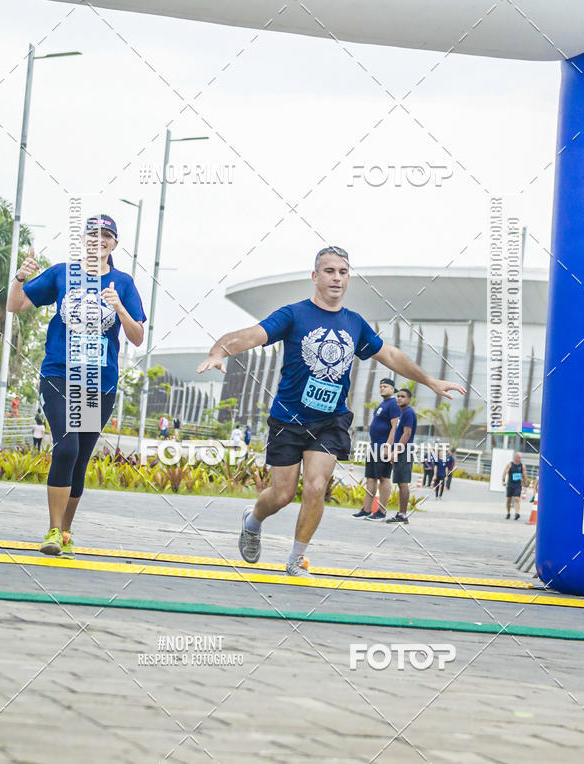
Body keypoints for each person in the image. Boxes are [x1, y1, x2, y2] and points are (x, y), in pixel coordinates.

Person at [197, 246, 465, 575]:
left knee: (315, 486)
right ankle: (252, 521)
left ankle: (296, 559)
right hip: (288, 418)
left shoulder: (354, 323)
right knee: (281, 494)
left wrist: (429, 381)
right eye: (329, 271)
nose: (337, 277)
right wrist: (219, 350)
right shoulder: (293, 315)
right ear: (315, 276)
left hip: (330, 420)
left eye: (343, 271)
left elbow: (391, 356)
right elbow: (253, 335)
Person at [6, 216, 146, 558]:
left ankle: (65, 530)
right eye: (93, 234)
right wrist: (20, 277)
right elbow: (15, 304)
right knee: (65, 447)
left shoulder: (123, 283)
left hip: (100, 382)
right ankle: (53, 529)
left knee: (80, 458)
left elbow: (138, 337)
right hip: (59, 374)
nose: (99, 239)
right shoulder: (61, 273)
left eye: (107, 236)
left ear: (114, 244)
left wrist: (120, 309)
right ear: (83, 239)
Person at [352, 378, 400, 521]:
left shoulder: (393, 404)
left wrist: (388, 446)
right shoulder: (382, 404)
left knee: (383, 478)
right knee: (371, 478)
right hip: (373, 446)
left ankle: (381, 512)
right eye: (380, 386)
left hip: (383, 447)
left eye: (385, 386)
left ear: (392, 389)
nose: (382, 388)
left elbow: (395, 427)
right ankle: (366, 509)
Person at [386, 388, 418, 525]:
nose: (399, 398)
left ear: (409, 399)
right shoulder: (403, 413)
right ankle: (400, 513)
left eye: (403, 396)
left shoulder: (409, 413)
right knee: (400, 482)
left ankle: (403, 515)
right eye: (398, 396)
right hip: (402, 450)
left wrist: (396, 451)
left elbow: (407, 434)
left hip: (404, 451)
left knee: (403, 482)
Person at [502, 451, 528, 520]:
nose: (520, 459)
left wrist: (526, 484)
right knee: (509, 499)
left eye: (521, 458)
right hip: (510, 484)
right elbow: (505, 473)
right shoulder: (510, 465)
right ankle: (508, 513)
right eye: (519, 457)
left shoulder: (522, 466)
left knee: (517, 498)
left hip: (518, 485)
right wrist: (503, 481)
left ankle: (517, 513)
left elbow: (525, 475)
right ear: (515, 457)